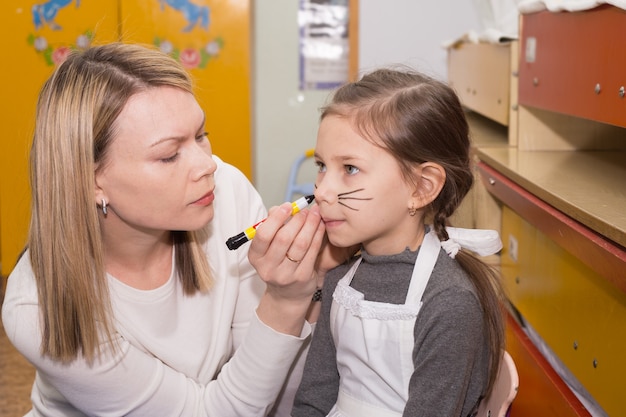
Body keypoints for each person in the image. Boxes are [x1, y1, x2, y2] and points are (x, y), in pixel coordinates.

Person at [0, 42, 346, 416]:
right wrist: (285, 301)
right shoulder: (39, 311)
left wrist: (312, 285)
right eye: (168, 155)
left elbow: (269, 390)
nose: (207, 165)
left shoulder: (224, 191)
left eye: (200, 135)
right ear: (90, 181)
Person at [292, 68, 506, 417]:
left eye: (349, 168)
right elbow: (313, 400)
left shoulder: (449, 302)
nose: (322, 190)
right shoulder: (338, 280)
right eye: (321, 165)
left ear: (421, 187)